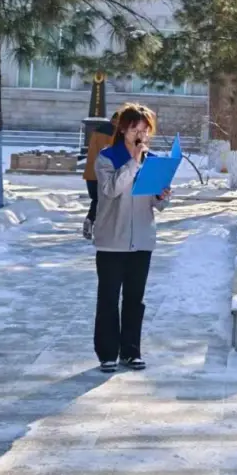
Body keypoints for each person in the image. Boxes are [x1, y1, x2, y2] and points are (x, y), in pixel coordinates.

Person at [91, 103, 172, 373]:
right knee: (108, 298)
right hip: (112, 240)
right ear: (124, 129)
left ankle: (131, 351)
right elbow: (111, 190)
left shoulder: (152, 161)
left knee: (135, 299)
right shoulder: (107, 158)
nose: (141, 135)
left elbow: (156, 203)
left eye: (146, 130)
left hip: (142, 240)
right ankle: (107, 354)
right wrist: (134, 163)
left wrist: (162, 196)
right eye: (136, 129)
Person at [82, 111, 120, 240]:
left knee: (96, 200)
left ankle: (90, 219)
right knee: (107, 202)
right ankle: (100, 226)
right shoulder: (114, 134)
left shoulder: (97, 131)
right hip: (104, 173)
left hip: (91, 173)